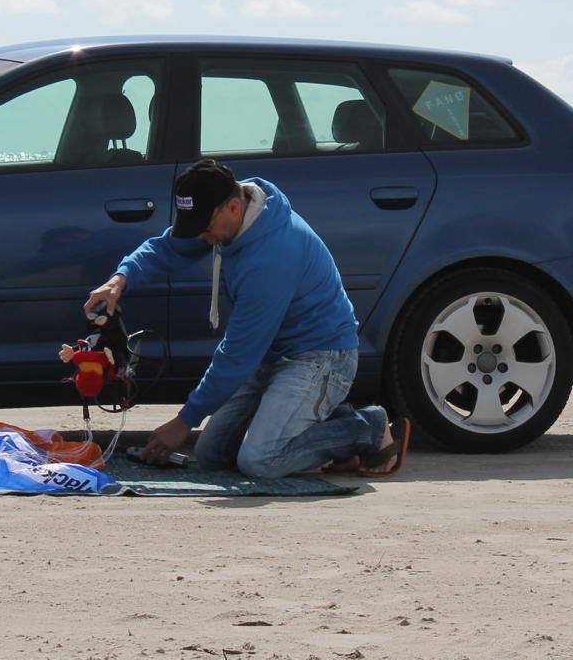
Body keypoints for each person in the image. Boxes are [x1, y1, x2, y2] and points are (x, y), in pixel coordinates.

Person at [85, 158, 409, 478]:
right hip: (272, 357)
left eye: (204, 227)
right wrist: (120, 280)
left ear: (233, 209)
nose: (201, 238)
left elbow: (239, 354)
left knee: (260, 460)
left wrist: (185, 420)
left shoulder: (271, 257)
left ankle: (366, 428)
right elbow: (168, 248)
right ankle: (323, 426)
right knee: (212, 455)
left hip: (320, 359)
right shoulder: (230, 215)